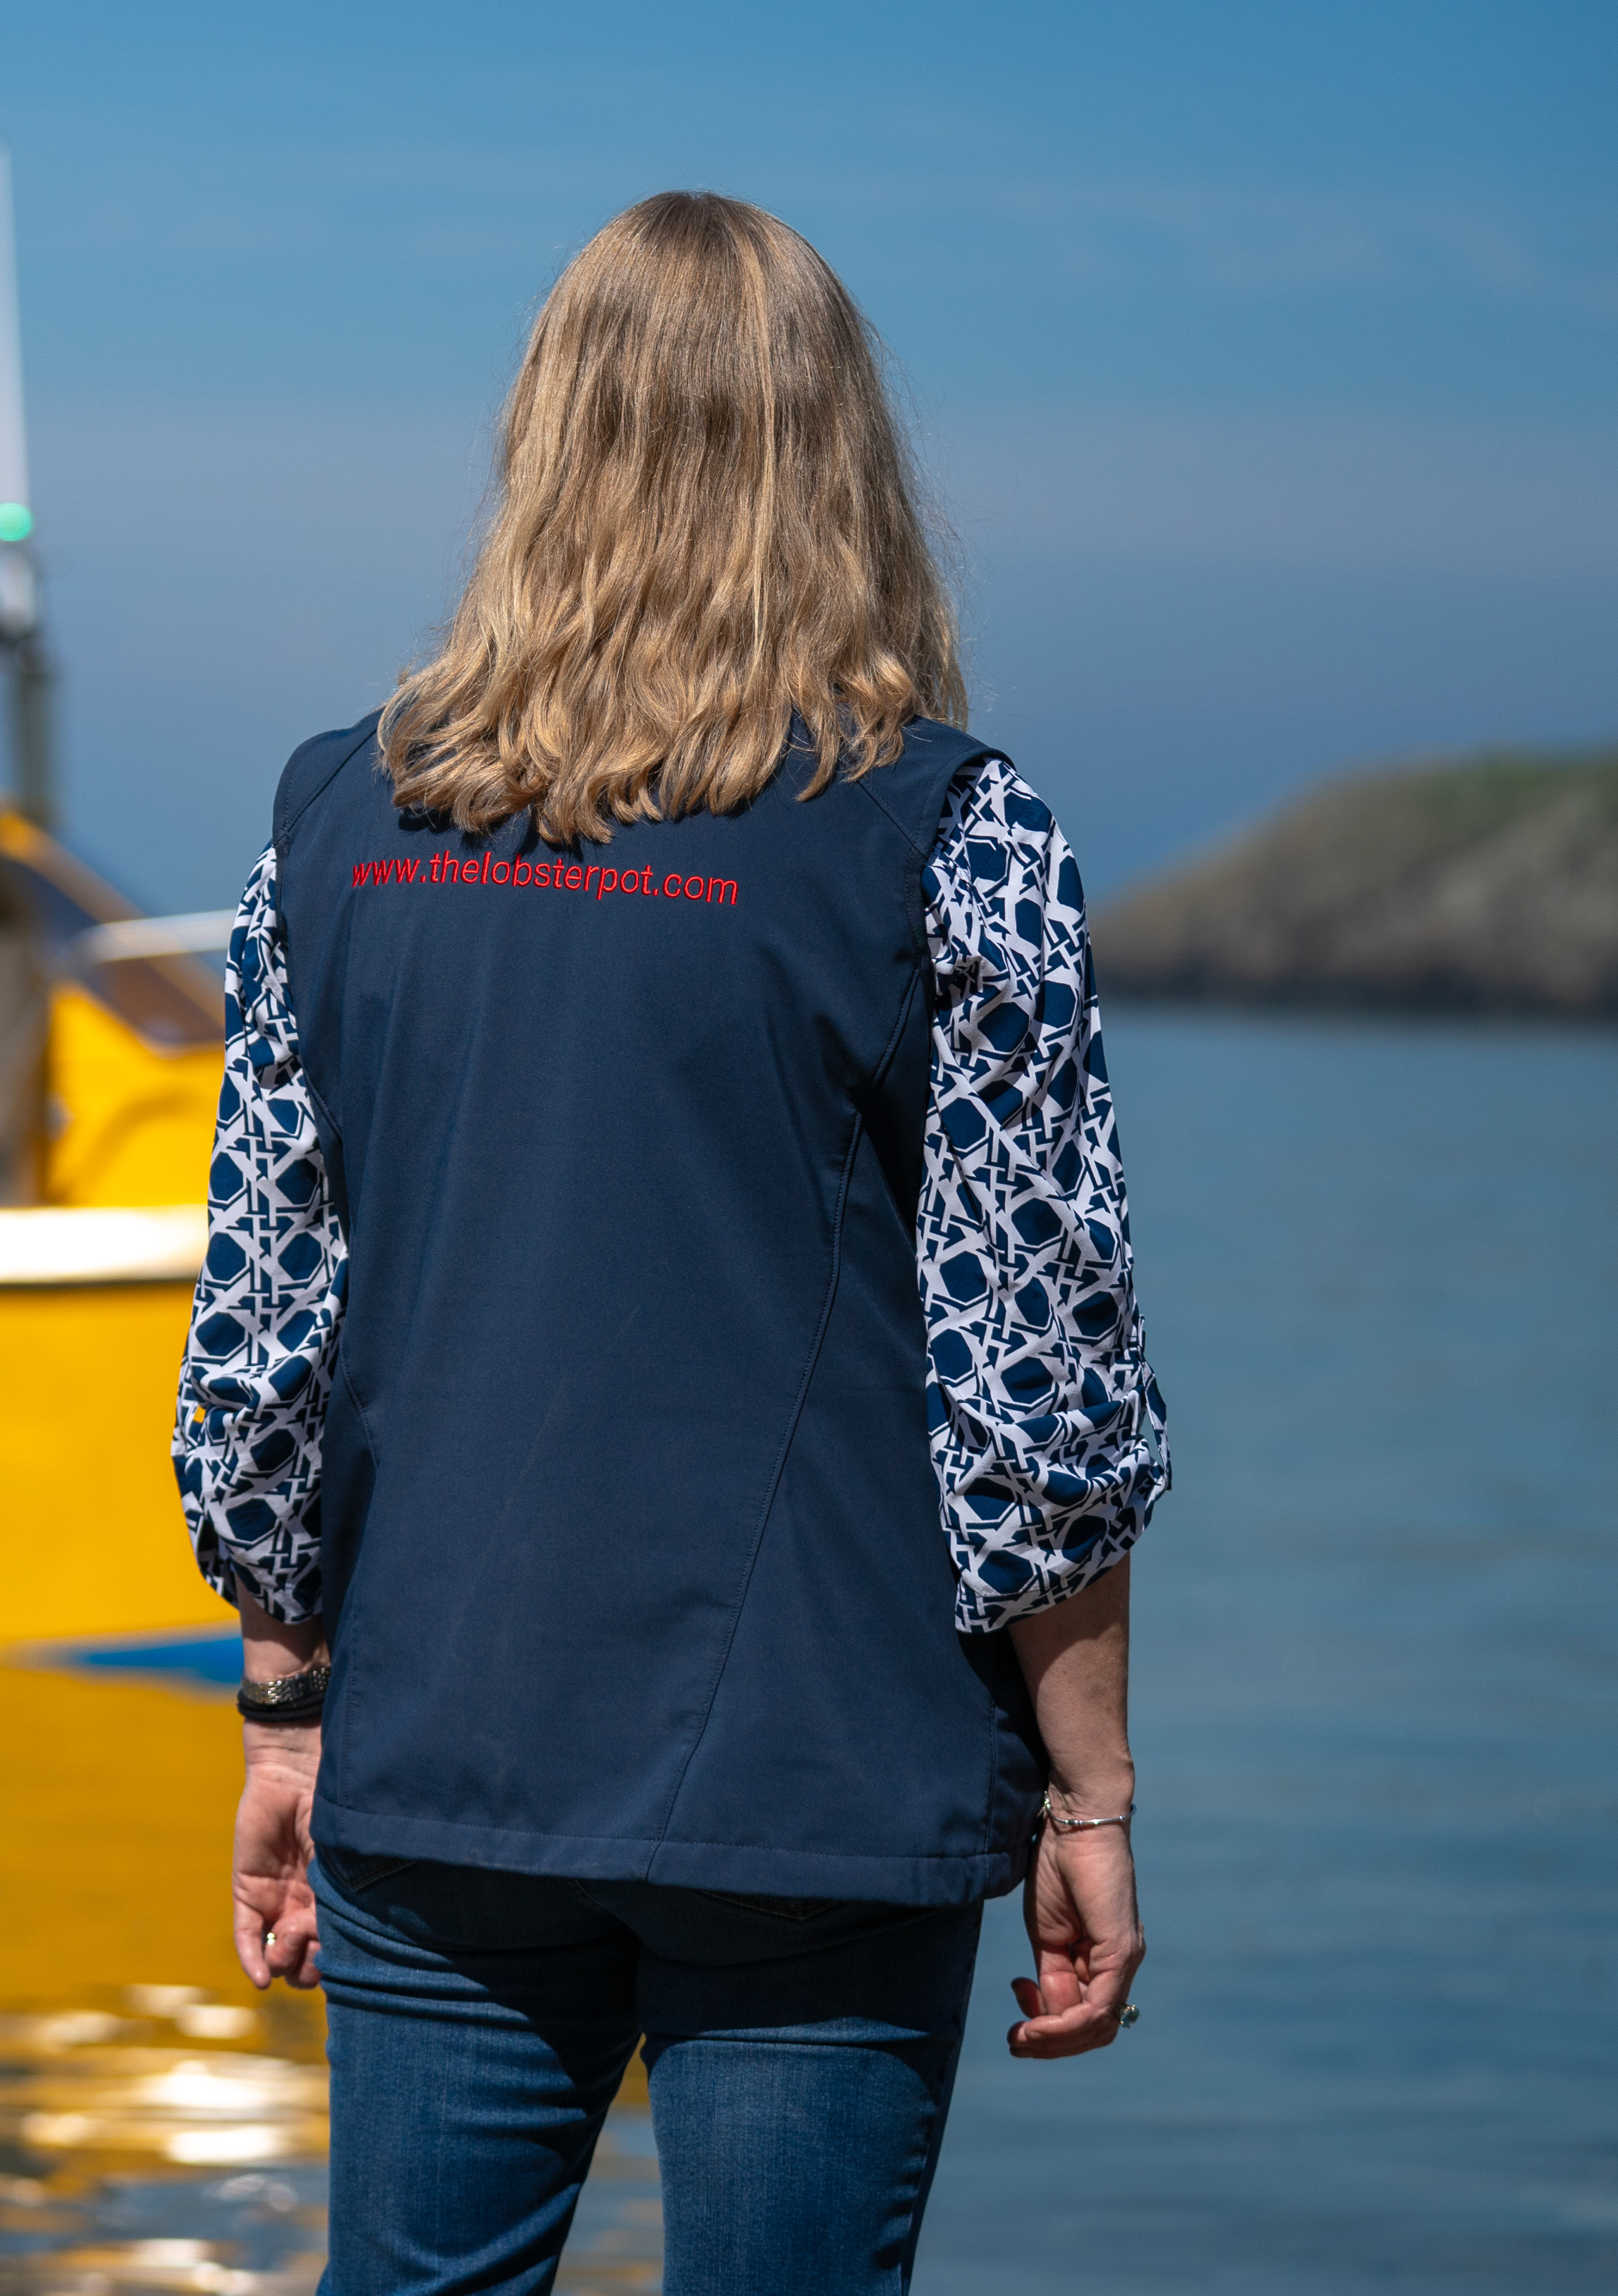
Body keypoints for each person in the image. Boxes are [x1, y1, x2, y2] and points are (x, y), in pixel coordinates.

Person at [171, 192, 1168, 2295]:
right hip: (814, 1770)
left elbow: (263, 1342)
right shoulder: (946, 832)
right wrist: (1087, 1797)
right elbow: (1031, 1390)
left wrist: (281, 1701)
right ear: (838, 461)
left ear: (542, 441)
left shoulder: (331, 821)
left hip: (441, 1756)